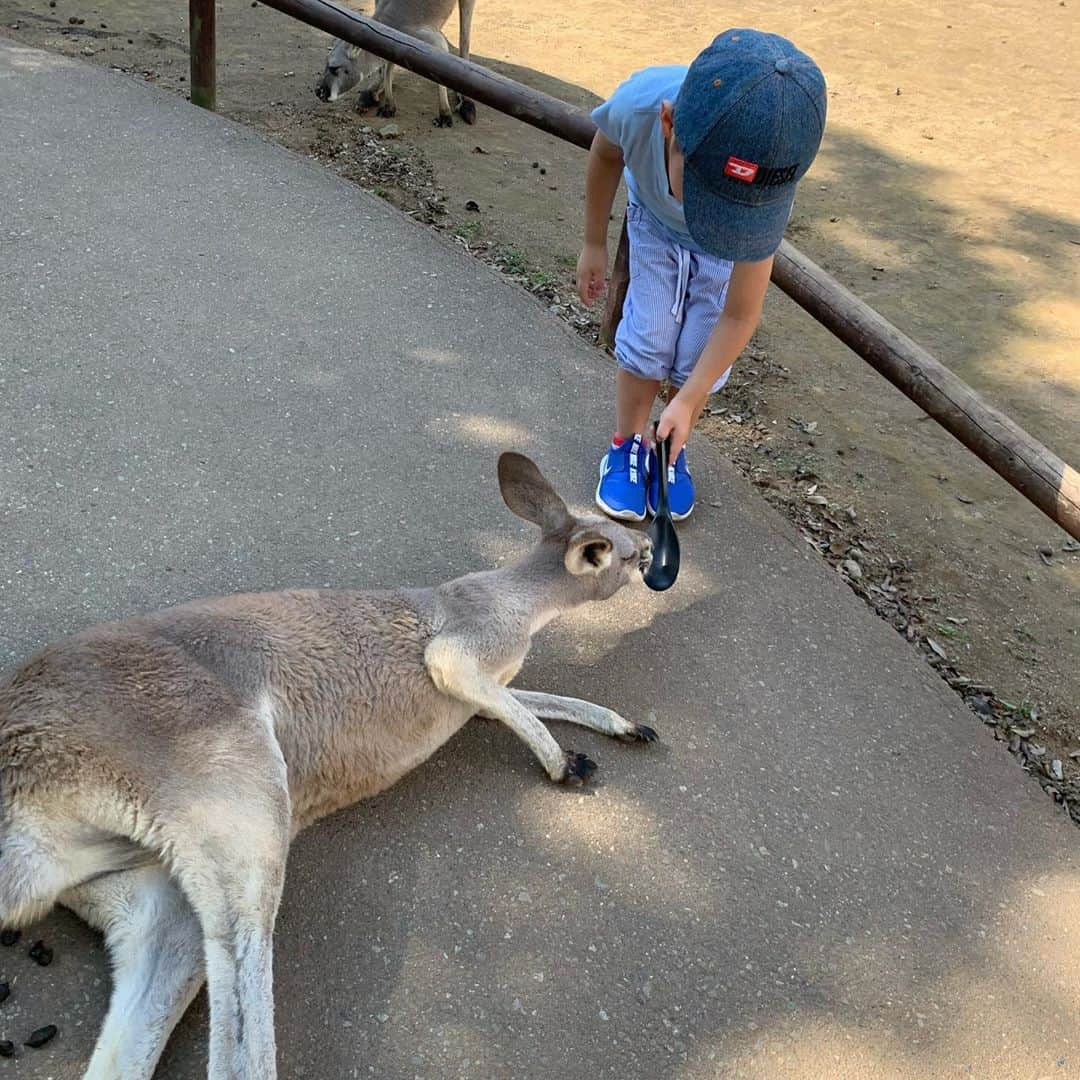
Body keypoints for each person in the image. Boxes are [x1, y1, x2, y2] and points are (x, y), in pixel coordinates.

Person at [577, 29, 827, 521]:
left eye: (730, 205)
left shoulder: (768, 178)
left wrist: (688, 403)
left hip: (728, 252)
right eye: (703, 192)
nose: (707, 214)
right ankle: (627, 444)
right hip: (655, 223)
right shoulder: (640, 104)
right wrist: (594, 242)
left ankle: (670, 444)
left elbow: (739, 315)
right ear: (668, 124)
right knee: (649, 335)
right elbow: (605, 154)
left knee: (697, 351)